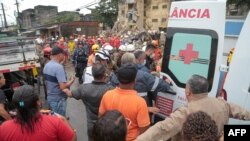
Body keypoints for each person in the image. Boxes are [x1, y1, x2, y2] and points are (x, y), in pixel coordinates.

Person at [137, 74, 250, 141]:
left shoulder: (185, 112)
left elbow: (161, 129)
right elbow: (244, 113)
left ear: (188, 92)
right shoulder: (223, 104)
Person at [0, 85, 76, 141]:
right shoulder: (54, 122)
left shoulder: (4, 128)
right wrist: (65, 121)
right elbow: (73, 139)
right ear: (38, 103)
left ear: (17, 107)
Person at [99, 64, 150, 141]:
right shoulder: (140, 102)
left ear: (118, 80)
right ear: (135, 80)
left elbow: (100, 118)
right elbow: (144, 130)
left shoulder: (107, 95)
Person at [63, 63, 113, 140]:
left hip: (91, 124)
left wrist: (65, 89)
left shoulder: (84, 88)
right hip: (106, 124)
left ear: (92, 74)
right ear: (104, 74)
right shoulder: (110, 90)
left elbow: (70, 94)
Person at [43, 46, 75, 116]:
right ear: (60, 55)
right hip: (58, 99)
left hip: (50, 97)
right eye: (63, 55)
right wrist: (71, 81)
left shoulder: (46, 65)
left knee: (54, 120)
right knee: (60, 121)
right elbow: (62, 87)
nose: (64, 57)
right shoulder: (58, 67)